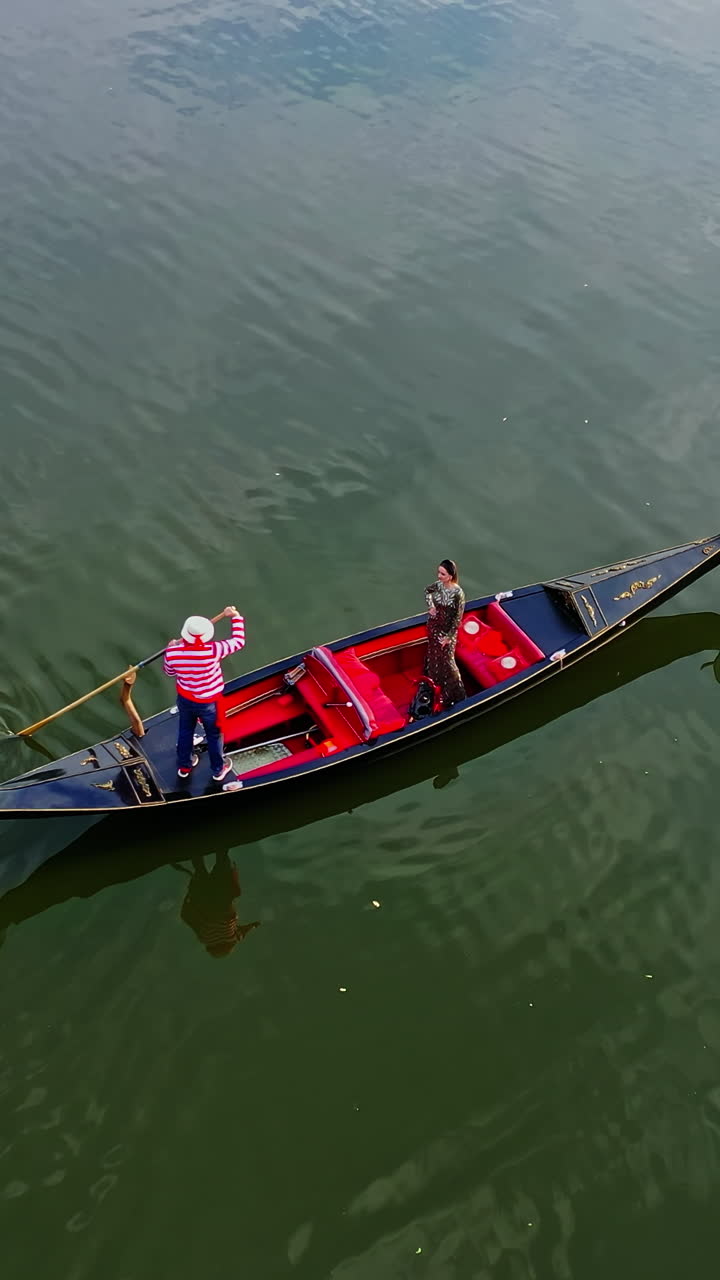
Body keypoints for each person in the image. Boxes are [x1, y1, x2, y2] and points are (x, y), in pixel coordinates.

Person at [164, 606, 245, 782]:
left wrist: (171, 647)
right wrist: (236, 617)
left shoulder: (172, 652)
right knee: (214, 735)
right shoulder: (215, 650)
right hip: (210, 704)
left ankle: (184, 766)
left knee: (185, 731)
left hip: (185, 700)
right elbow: (239, 641)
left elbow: (169, 672)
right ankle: (218, 770)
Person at [176, 852, 261, 958]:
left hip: (223, 903)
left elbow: (243, 932)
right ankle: (197, 852)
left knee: (223, 862)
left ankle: (221, 850)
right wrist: (189, 896)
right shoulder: (204, 939)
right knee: (200, 869)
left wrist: (254, 925)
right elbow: (185, 916)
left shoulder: (232, 939)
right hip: (205, 903)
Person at [424, 559, 466, 708]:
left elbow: (458, 618)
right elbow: (427, 591)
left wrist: (448, 637)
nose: (439, 576)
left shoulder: (458, 593)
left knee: (448, 662)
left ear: (450, 575)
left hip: (447, 632)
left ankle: (457, 695)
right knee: (433, 657)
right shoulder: (438, 585)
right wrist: (431, 607)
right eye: (439, 572)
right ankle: (434, 686)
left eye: (442, 574)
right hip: (433, 627)